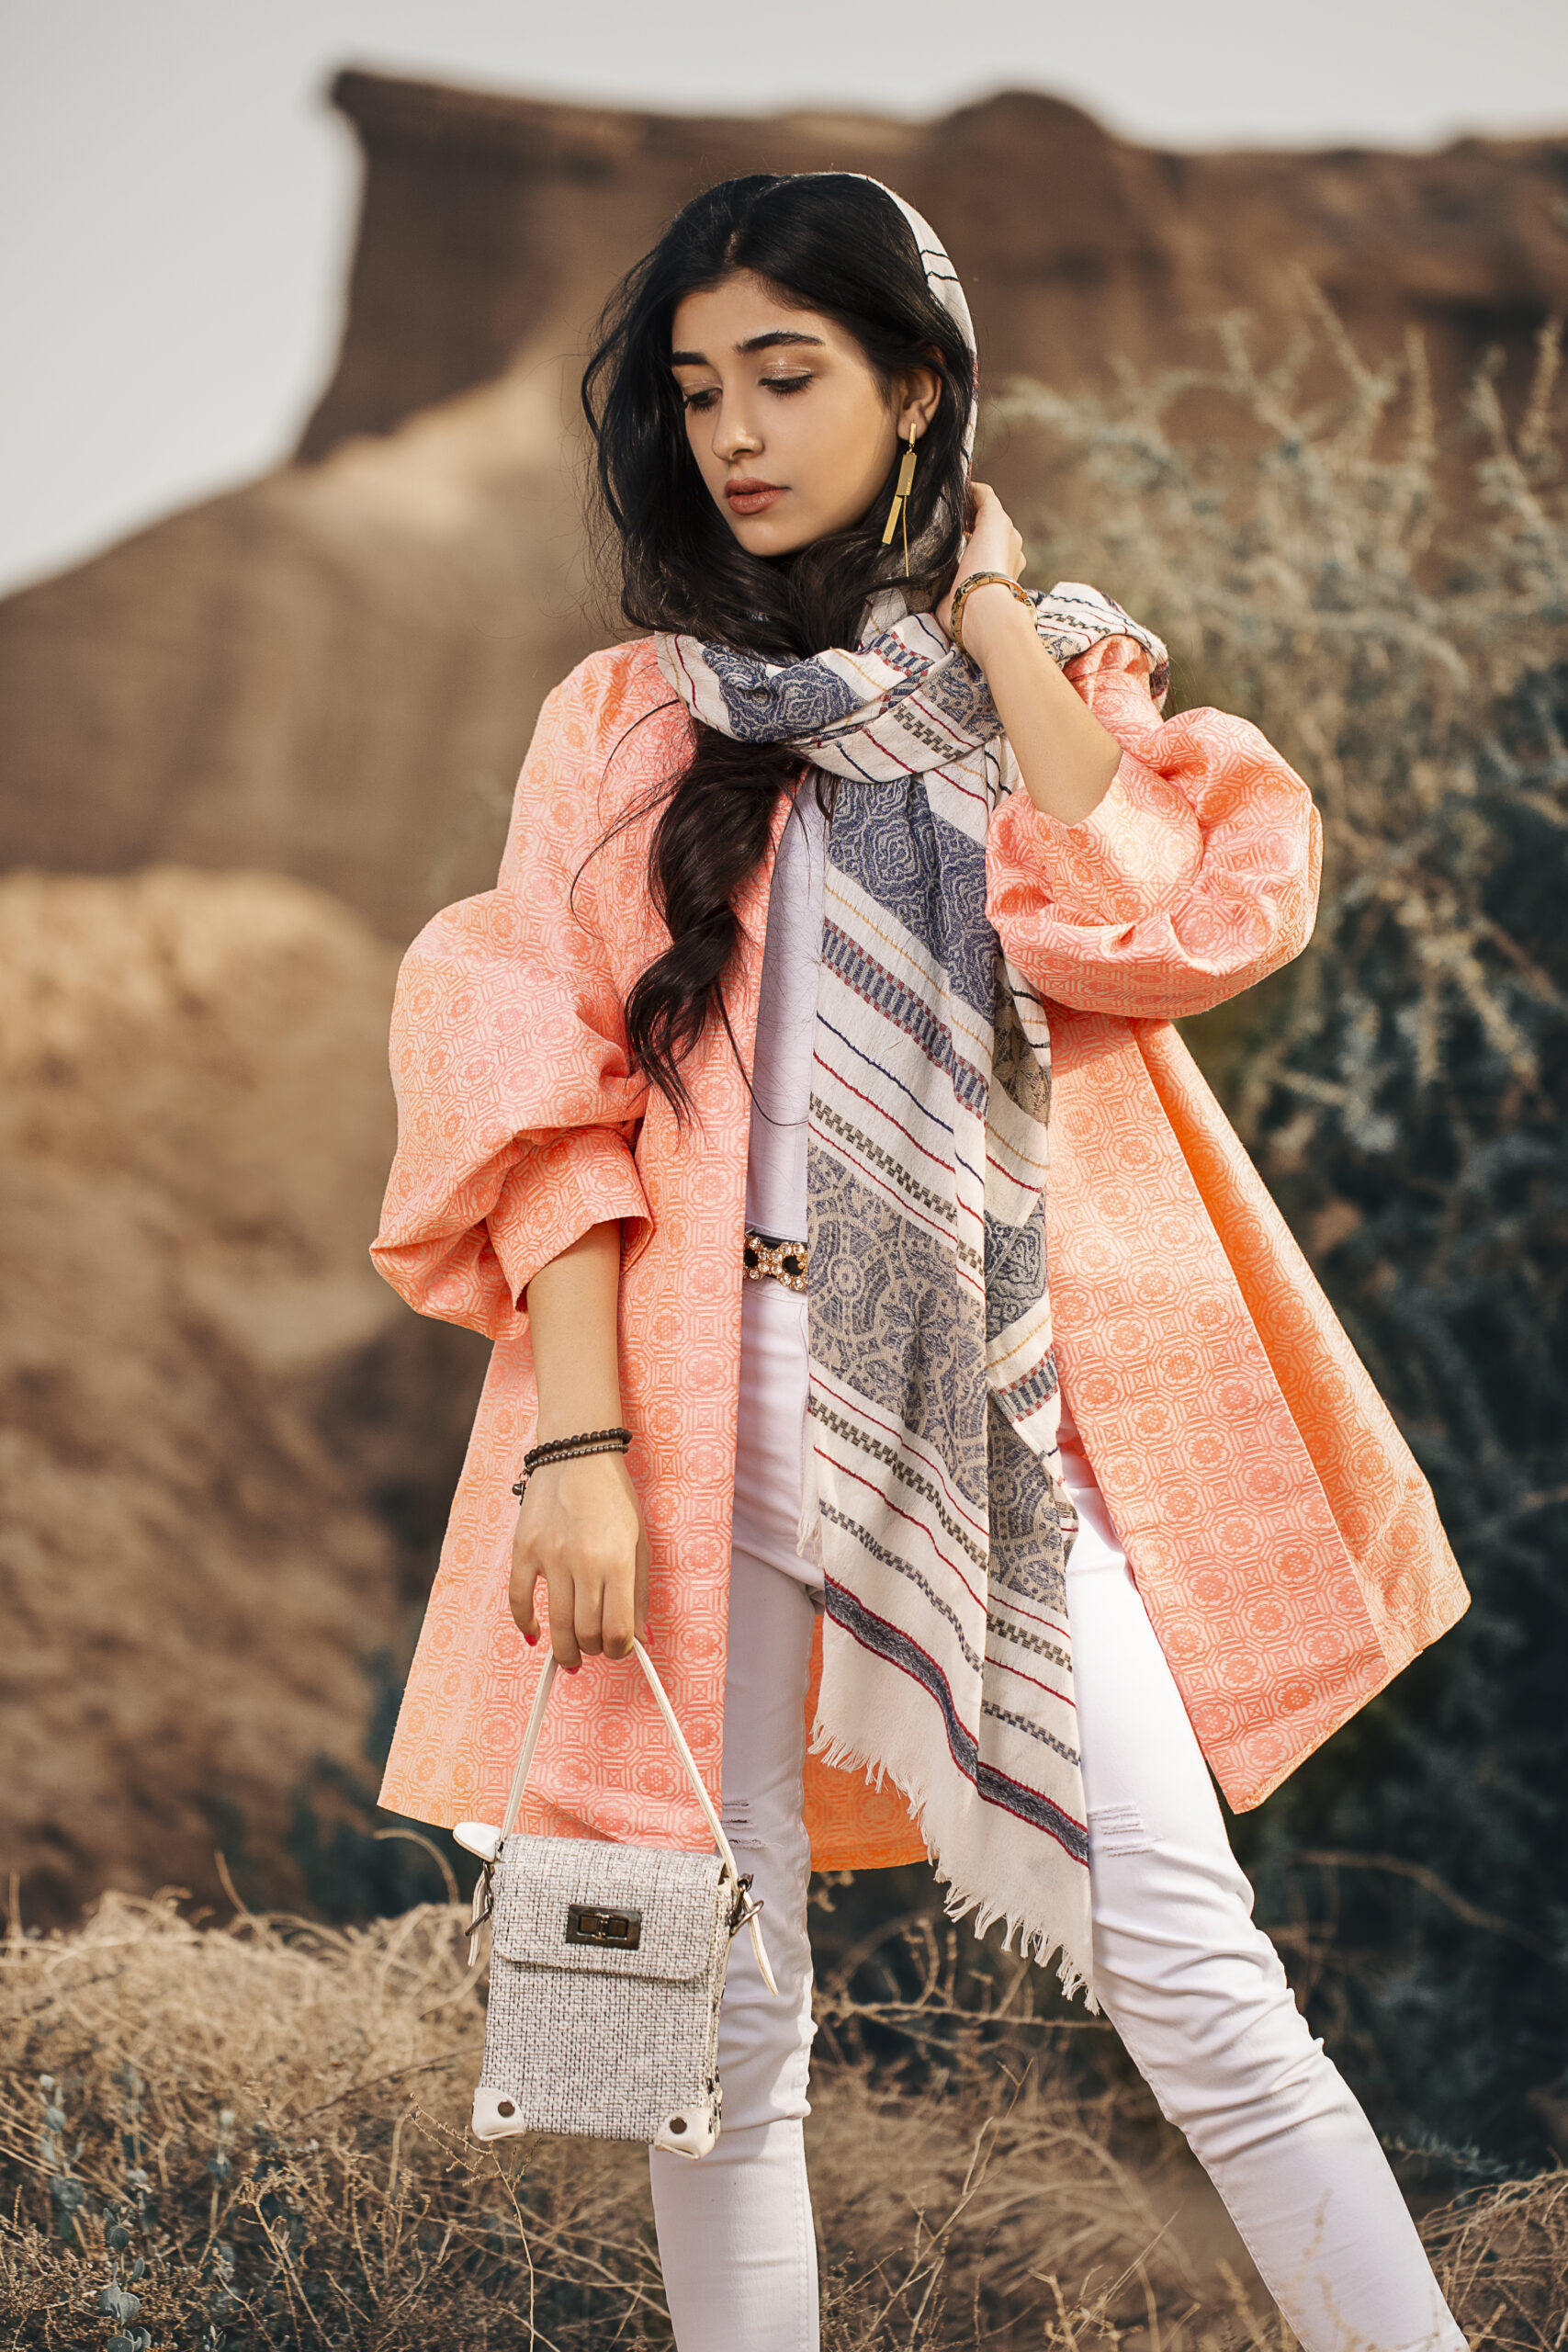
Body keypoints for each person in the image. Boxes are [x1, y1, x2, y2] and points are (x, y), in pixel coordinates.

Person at [370, 173, 1471, 2352]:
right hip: (683, 1437)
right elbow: (540, 1082)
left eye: (788, 375)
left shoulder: (1057, 678)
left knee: (1192, 1964)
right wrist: (576, 1445)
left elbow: (1156, 920)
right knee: (718, 2028)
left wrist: (988, 626)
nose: (735, 435)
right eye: (695, 392)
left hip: (995, 1423)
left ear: (918, 387)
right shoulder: (623, 721)